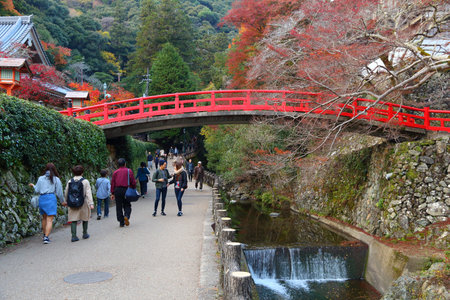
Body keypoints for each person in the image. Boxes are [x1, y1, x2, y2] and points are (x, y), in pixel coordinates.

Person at [29, 163, 64, 244]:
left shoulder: (40, 178)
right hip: (51, 198)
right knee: (50, 219)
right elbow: (59, 192)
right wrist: (62, 201)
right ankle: (46, 237)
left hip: (42, 199)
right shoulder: (56, 179)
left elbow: (37, 190)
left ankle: (44, 234)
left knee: (44, 218)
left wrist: (33, 186)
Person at [63, 165, 94, 242]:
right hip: (83, 202)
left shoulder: (70, 181)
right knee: (85, 218)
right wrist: (91, 203)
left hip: (72, 202)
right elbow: (88, 193)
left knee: (73, 219)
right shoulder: (85, 181)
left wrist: (66, 201)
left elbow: (66, 192)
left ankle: (74, 236)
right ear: (82, 172)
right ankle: (85, 233)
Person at [111, 158, 136, 227]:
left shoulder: (115, 172)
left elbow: (113, 183)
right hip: (126, 190)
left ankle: (121, 222)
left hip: (117, 190)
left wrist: (112, 193)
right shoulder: (129, 171)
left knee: (118, 206)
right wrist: (133, 188)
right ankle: (126, 216)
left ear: (118, 165)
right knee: (127, 204)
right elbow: (133, 181)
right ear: (125, 164)